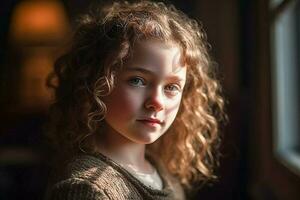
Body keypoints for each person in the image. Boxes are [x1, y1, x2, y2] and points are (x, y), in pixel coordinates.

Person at [44, 1, 226, 199]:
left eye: (171, 87)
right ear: (97, 82)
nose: (157, 102)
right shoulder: (85, 190)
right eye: (137, 80)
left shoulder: (165, 177)